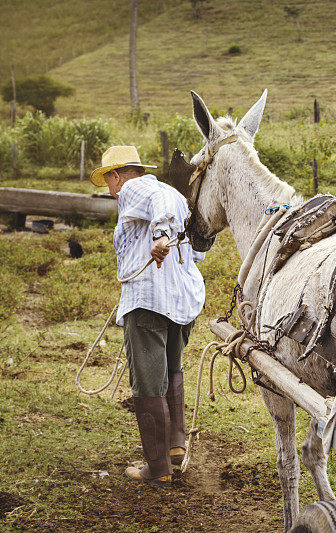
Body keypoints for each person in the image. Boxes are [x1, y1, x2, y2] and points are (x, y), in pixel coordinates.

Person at [90, 146, 206, 486]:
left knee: (147, 384)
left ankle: (157, 471)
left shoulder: (136, 188)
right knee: (172, 371)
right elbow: (196, 251)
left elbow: (161, 205)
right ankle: (174, 448)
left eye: (109, 179)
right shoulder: (176, 196)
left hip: (148, 303)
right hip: (179, 301)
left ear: (117, 174)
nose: (111, 189)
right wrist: (165, 239)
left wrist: (159, 236)